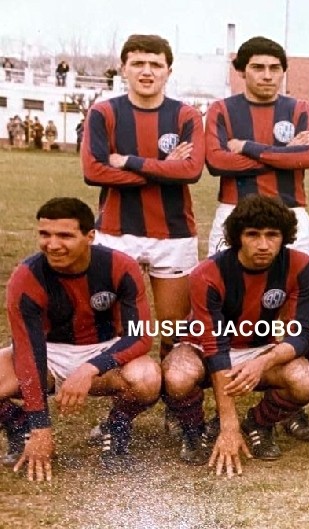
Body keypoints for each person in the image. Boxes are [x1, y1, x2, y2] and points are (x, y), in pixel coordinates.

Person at [0, 198, 161, 480]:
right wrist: (40, 426)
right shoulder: (26, 277)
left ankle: (116, 426)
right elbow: (28, 353)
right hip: (47, 353)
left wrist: (90, 369)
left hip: (104, 351)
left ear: (90, 236)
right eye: (45, 234)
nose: (52, 245)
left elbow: (140, 337)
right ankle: (20, 426)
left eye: (65, 235)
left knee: (148, 378)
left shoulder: (119, 266)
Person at [161, 195, 309, 476]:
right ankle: (194, 429)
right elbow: (215, 347)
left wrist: (262, 362)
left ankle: (258, 423)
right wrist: (227, 424)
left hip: (258, 349)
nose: (263, 244)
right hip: (202, 348)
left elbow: (300, 336)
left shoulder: (301, 266)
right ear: (237, 237)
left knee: (305, 379)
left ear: (284, 236)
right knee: (178, 375)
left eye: (272, 235)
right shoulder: (207, 273)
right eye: (252, 234)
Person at [81, 34, 205, 364]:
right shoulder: (103, 112)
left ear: (168, 71)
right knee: (113, 327)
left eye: (155, 64)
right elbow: (94, 171)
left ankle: (174, 394)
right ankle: (124, 390)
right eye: (138, 63)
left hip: (174, 234)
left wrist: (130, 161)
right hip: (116, 232)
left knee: (176, 331)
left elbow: (191, 170)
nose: (147, 71)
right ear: (123, 69)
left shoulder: (186, 115)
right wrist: (165, 168)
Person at [205, 36, 309, 258]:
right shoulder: (221, 109)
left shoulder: (301, 109)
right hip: (234, 210)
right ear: (242, 71)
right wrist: (285, 154)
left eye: (274, 68)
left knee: (294, 277)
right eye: (258, 67)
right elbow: (216, 162)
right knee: (227, 278)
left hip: (290, 210)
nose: (267, 75)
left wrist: (247, 147)